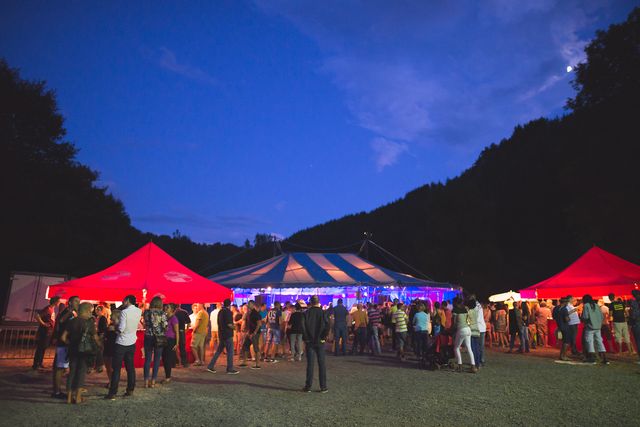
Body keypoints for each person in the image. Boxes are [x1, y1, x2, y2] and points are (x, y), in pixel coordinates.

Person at [61, 302, 99, 404]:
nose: (91, 314)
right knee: (81, 373)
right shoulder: (89, 323)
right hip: (84, 352)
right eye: (90, 312)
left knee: (72, 373)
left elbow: (63, 337)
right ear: (86, 311)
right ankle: (78, 397)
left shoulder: (72, 321)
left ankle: (69, 398)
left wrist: (71, 343)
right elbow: (96, 338)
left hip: (73, 351)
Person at [106, 294, 142, 400]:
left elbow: (121, 328)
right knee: (130, 368)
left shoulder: (124, 312)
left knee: (116, 369)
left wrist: (114, 328)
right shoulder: (138, 311)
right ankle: (130, 389)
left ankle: (113, 392)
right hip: (132, 342)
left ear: (127, 300)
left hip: (121, 342)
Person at [52, 296, 79, 399]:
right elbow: (61, 321)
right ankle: (56, 392)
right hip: (63, 344)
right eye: (76, 301)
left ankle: (58, 389)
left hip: (68, 344)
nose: (78, 303)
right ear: (70, 302)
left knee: (62, 367)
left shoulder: (73, 312)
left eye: (79, 301)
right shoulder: (66, 312)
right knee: (59, 368)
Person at [302, 295, 329, 393]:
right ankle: (323, 386)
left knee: (310, 364)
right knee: (321, 364)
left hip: (310, 341)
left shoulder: (306, 313)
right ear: (318, 302)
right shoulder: (323, 313)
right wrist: (323, 337)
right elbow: (327, 326)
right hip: (320, 341)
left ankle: (308, 386)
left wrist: (306, 338)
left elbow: (303, 326)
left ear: (311, 302)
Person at [207, 299, 238, 374]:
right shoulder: (228, 312)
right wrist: (235, 328)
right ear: (229, 304)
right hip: (227, 334)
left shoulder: (220, 312)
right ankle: (230, 369)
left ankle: (210, 366)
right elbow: (229, 324)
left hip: (221, 334)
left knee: (218, 351)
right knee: (230, 352)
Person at [143, 296, 167, 388]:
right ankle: (153, 381)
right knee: (157, 360)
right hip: (159, 337)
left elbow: (145, 323)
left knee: (147, 359)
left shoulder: (146, 312)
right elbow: (165, 325)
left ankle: (145, 381)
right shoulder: (162, 313)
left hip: (148, 336)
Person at [32, 296, 60, 370]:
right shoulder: (48, 309)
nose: (59, 302)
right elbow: (37, 315)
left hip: (48, 332)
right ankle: (36, 365)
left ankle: (40, 363)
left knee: (43, 348)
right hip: (44, 332)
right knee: (40, 348)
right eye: (58, 301)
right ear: (55, 302)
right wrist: (43, 324)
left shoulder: (51, 309)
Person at [581, 294, 609, 365]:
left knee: (589, 341)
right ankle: (605, 359)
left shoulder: (586, 305)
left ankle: (592, 358)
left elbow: (585, 316)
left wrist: (583, 320)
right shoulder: (596, 305)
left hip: (590, 327)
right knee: (599, 341)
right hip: (598, 327)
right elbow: (601, 316)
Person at [451, 297, 476, 373]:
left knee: (456, 347)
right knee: (469, 348)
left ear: (455, 303)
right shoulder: (465, 309)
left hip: (461, 329)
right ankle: (473, 366)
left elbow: (454, 323)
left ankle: (460, 365)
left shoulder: (455, 310)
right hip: (468, 329)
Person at [240, 301, 262, 370]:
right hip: (250, 332)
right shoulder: (249, 313)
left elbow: (259, 324)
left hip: (254, 333)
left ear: (253, 305)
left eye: (250, 304)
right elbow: (248, 323)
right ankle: (244, 362)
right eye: (248, 304)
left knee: (256, 348)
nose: (248, 305)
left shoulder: (255, 313)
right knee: (245, 346)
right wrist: (247, 331)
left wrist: (254, 332)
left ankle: (257, 364)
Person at [162, 304, 180, 383]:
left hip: (170, 340)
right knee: (164, 358)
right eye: (165, 307)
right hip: (164, 340)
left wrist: (177, 343)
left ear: (172, 309)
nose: (165, 308)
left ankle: (168, 377)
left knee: (167, 359)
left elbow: (177, 332)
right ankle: (167, 376)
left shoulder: (174, 318)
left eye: (167, 307)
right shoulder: (165, 317)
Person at [103, 309, 120, 390]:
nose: (110, 315)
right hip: (108, 347)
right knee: (108, 366)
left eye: (112, 314)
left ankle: (113, 382)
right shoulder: (111, 325)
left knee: (112, 367)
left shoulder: (119, 326)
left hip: (113, 348)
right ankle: (111, 381)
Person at [93, 305, 107, 373]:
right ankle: (97, 366)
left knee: (99, 351)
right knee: (97, 351)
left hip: (100, 336)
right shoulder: (97, 318)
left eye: (98, 310)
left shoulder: (103, 318)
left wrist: (101, 336)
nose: (96, 311)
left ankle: (100, 366)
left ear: (102, 311)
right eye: (96, 310)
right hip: (97, 335)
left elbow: (103, 328)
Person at [630, 290, 640, 364]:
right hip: (636, 323)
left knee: (638, 341)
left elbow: (634, 315)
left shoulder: (634, 303)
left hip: (637, 323)